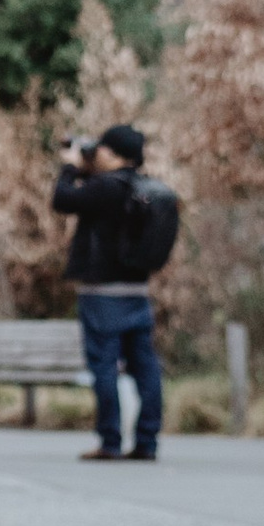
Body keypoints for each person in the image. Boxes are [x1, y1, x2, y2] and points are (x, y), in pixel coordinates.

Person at [52, 126, 166, 464]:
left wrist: (70, 166)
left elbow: (62, 199)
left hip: (102, 294)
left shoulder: (105, 188)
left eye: (101, 148)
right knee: (145, 368)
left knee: (104, 366)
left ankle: (110, 440)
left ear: (113, 153)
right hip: (137, 292)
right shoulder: (140, 187)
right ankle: (147, 441)